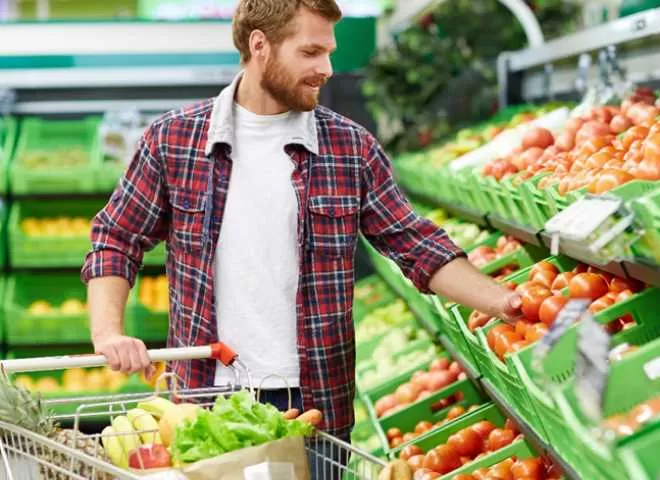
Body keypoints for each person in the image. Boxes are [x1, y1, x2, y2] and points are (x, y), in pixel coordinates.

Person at [82, 0, 521, 455]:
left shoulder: (349, 147)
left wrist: (504, 302)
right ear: (261, 46)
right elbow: (117, 237)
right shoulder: (175, 140)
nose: (327, 68)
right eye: (311, 52)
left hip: (315, 406)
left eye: (328, 53)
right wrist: (108, 333)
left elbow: (416, 246)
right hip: (204, 403)